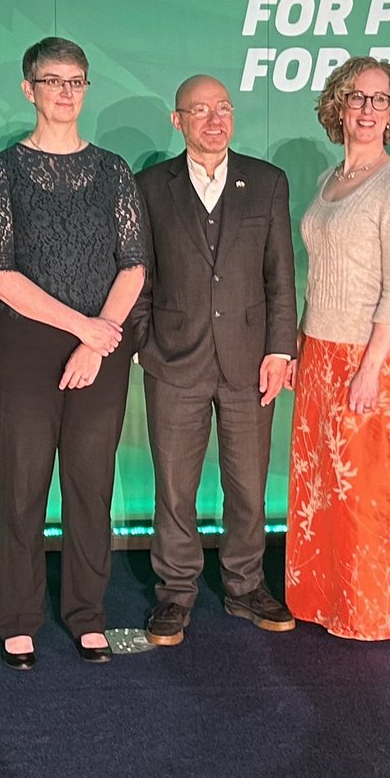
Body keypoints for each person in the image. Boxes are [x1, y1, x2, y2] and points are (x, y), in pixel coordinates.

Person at [0, 37, 146, 668]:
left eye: (76, 81)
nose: (66, 92)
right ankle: (18, 617)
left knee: (89, 485)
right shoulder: (2, 172)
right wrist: (85, 327)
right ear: (29, 89)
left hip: (99, 346)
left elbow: (133, 265)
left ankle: (87, 614)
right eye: (53, 81)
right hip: (22, 344)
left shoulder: (113, 171)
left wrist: (99, 334)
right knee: (21, 488)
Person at [134, 75, 297, 646]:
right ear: (177, 121)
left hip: (252, 362)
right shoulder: (150, 186)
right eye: (200, 110)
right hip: (173, 361)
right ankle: (175, 592)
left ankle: (245, 584)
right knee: (174, 487)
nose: (214, 119)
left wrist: (281, 348)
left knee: (248, 485)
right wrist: (143, 345)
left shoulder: (268, 183)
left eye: (223, 108)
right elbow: (140, 276)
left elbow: (281, 275)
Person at [283, 57, 390, 640]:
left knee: (367, 493)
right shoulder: (329, 180)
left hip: (369, 361)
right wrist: (298, 343)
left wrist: (370, 369)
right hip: (319, 352)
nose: (367, 110)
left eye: (379, 99)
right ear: (337, 106)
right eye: (356, 98)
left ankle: (373, 611)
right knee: (323, 492)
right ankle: (325, 599)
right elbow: (320, 275)